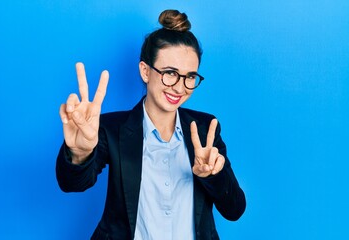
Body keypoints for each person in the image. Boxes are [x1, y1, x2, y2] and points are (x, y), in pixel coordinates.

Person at [56, 9, 246, 240]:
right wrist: (80, 152)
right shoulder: (111, 128)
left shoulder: (205, 129)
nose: (179, 87)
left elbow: (234, 209)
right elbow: (72, 184)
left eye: (189, 76)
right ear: (145, 71)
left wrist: (214, 175)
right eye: (170, 73)